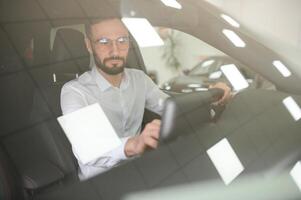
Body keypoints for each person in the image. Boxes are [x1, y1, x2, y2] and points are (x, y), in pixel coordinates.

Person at [60, 18, 231, 180]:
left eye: (122, 40)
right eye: (104, 42)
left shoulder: (139, 79)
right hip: (99, 186)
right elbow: (88, 148)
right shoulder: (75, 91)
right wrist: (134, 144)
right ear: (89, 45)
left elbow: (171, 108)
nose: (115, 50)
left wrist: (211, 103)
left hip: (141, 172)